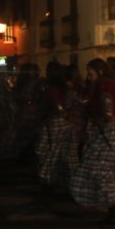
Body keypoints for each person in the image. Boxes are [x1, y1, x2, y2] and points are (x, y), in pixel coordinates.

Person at [69, 58, 115, 225]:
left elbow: (107, 106)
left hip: (110, 131)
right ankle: (114, 209)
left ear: (100, 71)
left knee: (97, 167)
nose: (88, 77)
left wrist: (104, 118)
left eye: (90, 73)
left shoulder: (104, 84)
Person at [35, 61, 79, 192]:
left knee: (51, 151)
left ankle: (47, 177)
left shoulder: (50, 88)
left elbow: (58, 105)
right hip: (66, 123)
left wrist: (63, 114)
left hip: (56, 122)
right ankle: (65, 180)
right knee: (66, 152)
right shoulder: (65, 87)